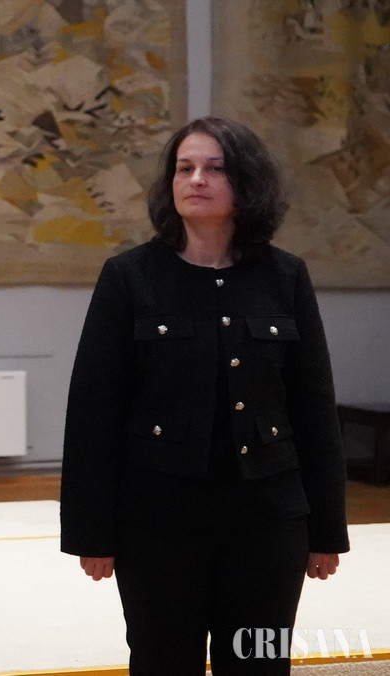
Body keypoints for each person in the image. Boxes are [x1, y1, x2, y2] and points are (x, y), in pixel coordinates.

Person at [59, 116, 349, 674]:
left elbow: (314, 408)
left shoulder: (285, 276)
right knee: (163, 660)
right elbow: (94, 412)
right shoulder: (129, 276)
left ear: (247, 182)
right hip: (157, 520)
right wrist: (90, 531)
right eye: (184, 168)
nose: (196, 179)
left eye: (215, 168)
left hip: (267, 520)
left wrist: (328, 529)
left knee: (259, 661)